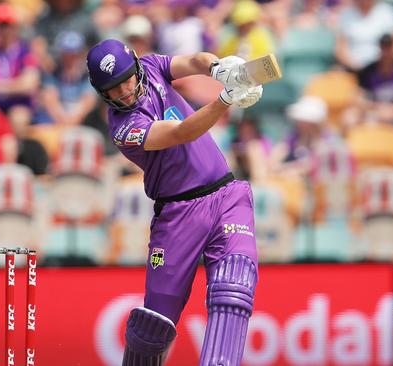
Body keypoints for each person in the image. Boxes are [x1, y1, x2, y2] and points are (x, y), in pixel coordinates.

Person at [86, 38, 262, 365]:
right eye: (113, 89)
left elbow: (194, 61)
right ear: (102, 93)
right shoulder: (125, 128)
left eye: (126, 79)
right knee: (154, 325)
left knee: (234, 285)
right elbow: (181, 132)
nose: (124, 91)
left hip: (226, 196)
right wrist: (225, 99)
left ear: (136, 67)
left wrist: (218, 68)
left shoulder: (151, 67)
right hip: (178, 214)